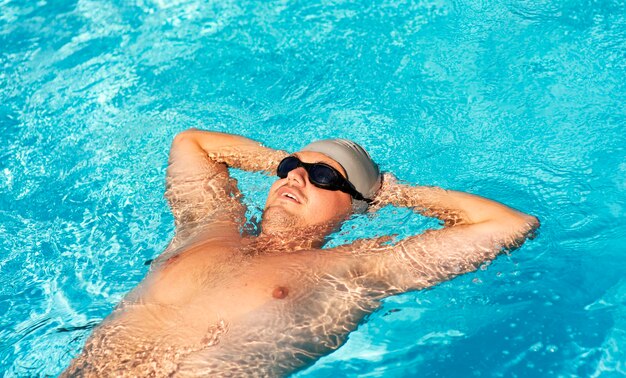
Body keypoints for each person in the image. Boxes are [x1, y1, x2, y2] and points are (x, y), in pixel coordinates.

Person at [63, 129, 539, 377]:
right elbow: (193, 143)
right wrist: (283, 161)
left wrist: (391, 195)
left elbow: (511, 224)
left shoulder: (359, 269)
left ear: (355, 207)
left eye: (325, 177)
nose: (296, 177)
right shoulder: (208, 229)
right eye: (293, 168)